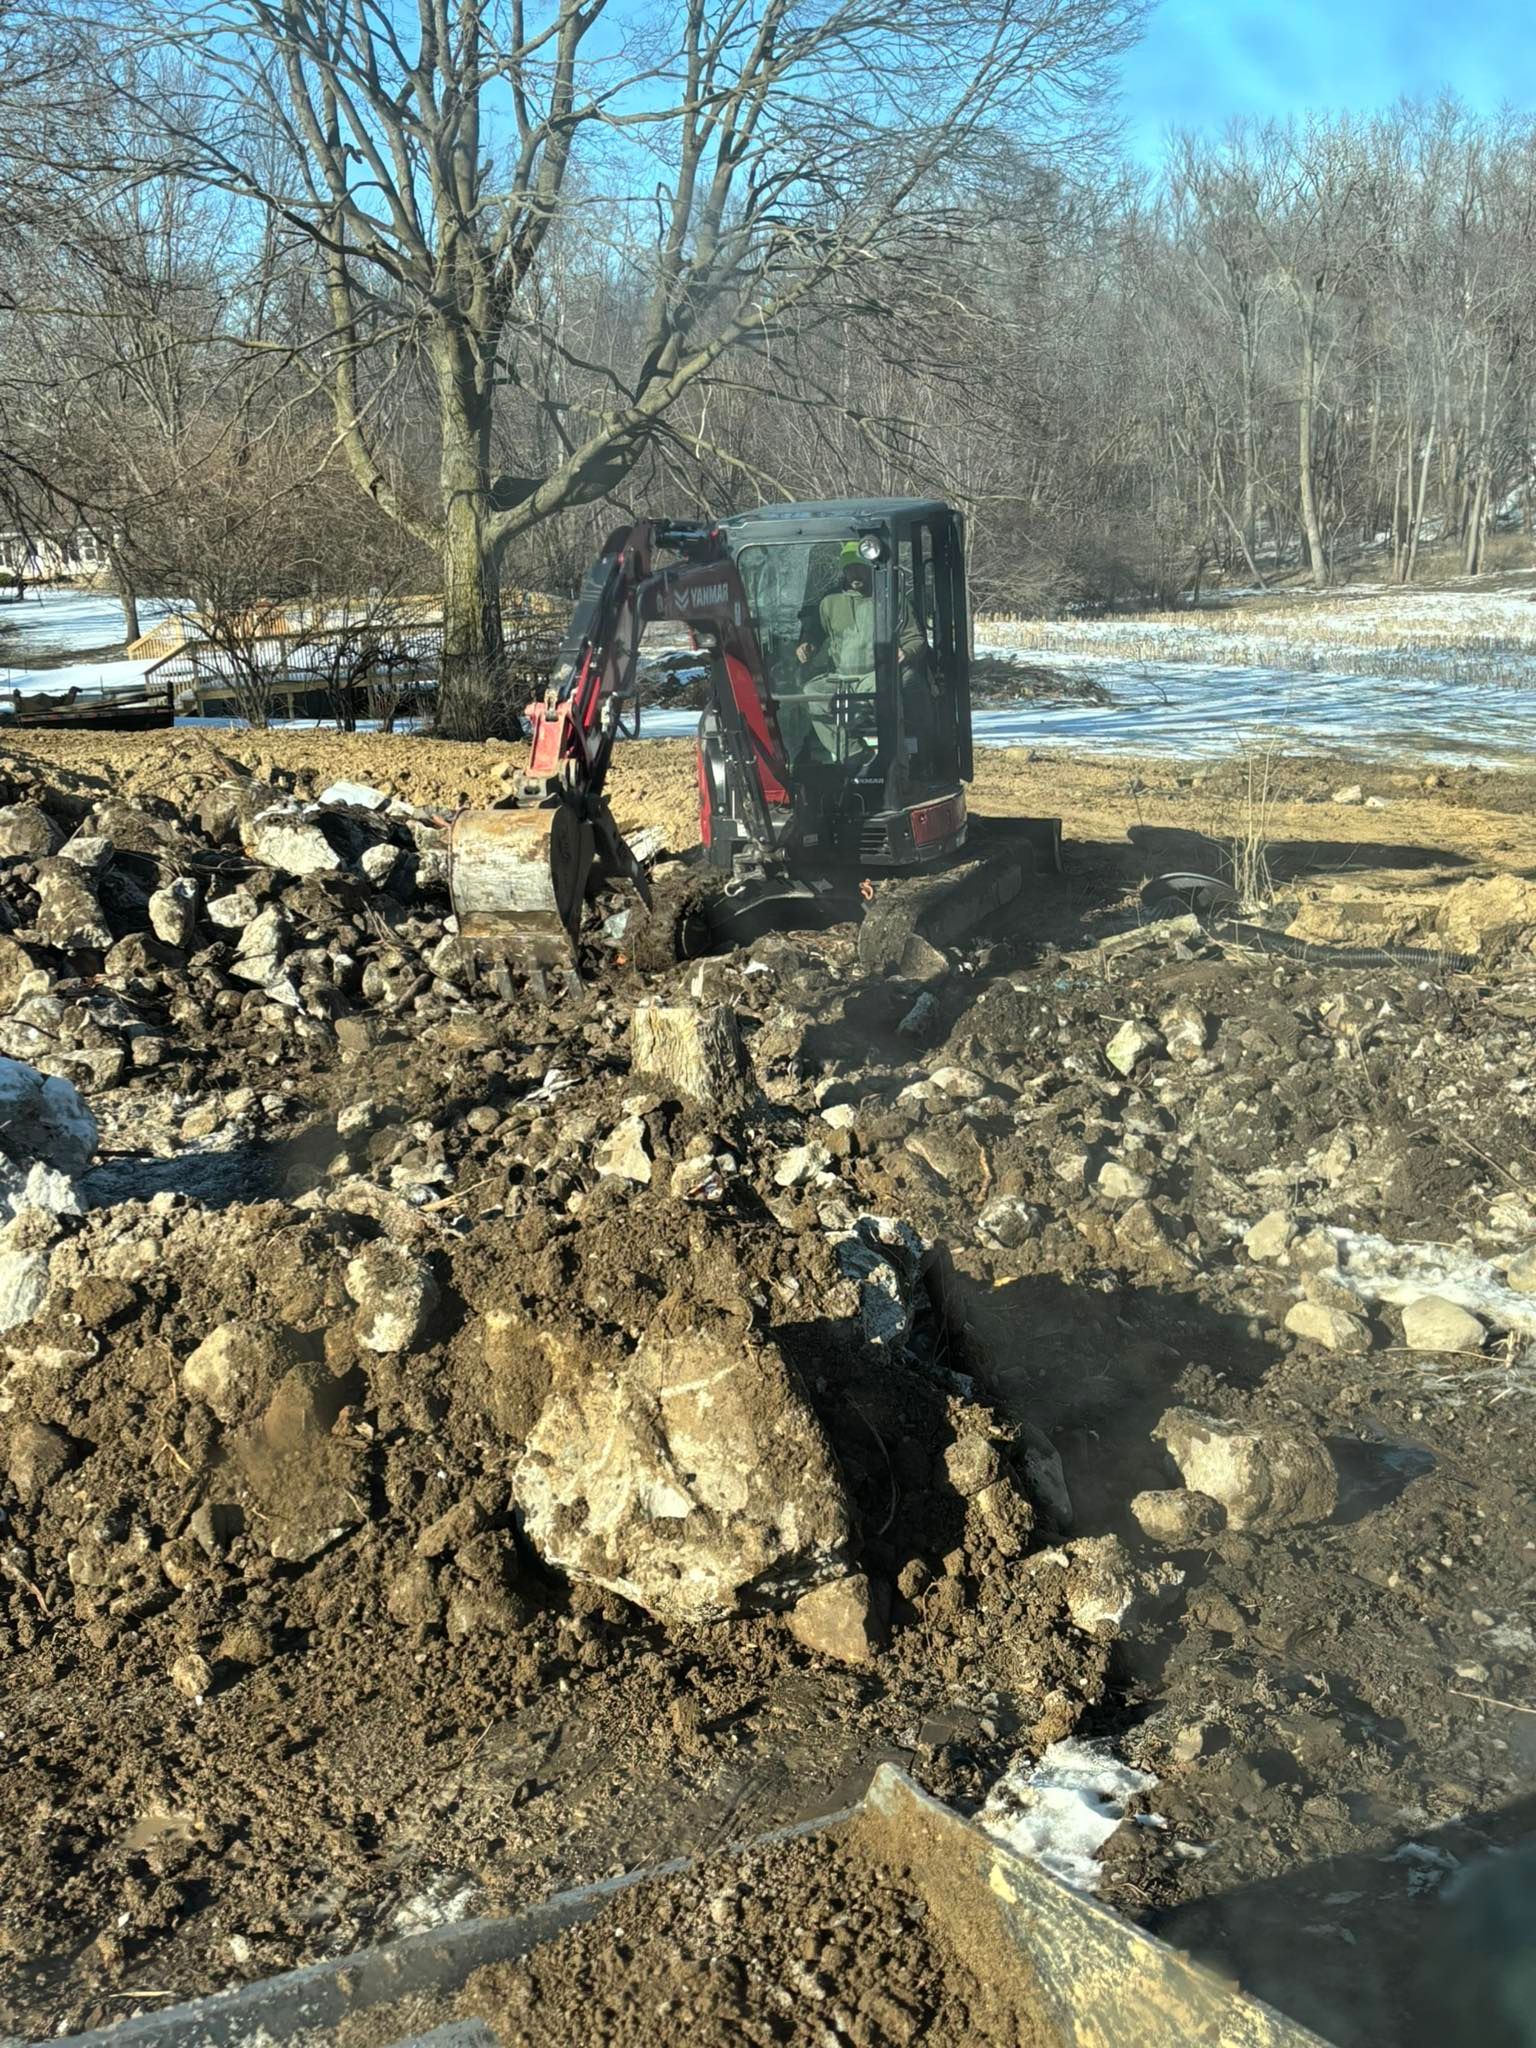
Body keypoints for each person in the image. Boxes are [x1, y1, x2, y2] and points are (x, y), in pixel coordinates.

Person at [791, 542, 927, 762]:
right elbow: (815, 633)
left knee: (890, 689)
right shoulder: (829, 602)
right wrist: (808, 645)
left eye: (859, 567)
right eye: (849, 567)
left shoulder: (891, 599)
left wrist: (906, 652)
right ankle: (853, 753)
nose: (854, 573)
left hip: (875, 676)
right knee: (812, 691)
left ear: (870, 567)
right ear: (843, 570)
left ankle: (896, 757)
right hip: (840, 678)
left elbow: (916, 639)